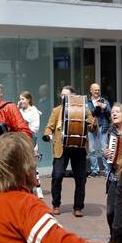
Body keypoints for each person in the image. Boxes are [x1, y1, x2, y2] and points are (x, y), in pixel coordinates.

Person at [44, 86, 93, 217]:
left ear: (72, 97)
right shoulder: (57, 111)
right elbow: (49, 127)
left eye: (65, 95)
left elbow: (92, 127)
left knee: (80, 178)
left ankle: (78, 207)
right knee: (57, 175)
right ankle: (56, 204)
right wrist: (48, 135)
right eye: (62, 95)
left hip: (79, 147)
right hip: (61, 147)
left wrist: (94, 121)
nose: (62, 97)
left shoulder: (84, 110)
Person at [103, 103, 122, 241]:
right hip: (114, 177)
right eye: (112, 112)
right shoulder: (110, 132)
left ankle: (121, 238)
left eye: (117, 112)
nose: (113, 114)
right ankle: (113, 235)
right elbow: (108, 153)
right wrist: (106, 153)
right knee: (110, 212)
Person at [86, 82, 111, 177]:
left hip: (102, 127)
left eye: (98, 90)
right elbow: (88, 114)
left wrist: (104, 107)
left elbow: (110, 113)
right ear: (91, 91)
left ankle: (106, 170)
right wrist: (97, 107)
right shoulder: (87, 102)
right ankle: (94, 170)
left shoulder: (104, 101)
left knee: (104, 149)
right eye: (95, 90)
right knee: (92, 149)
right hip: (92, 127)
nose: (97, 91)